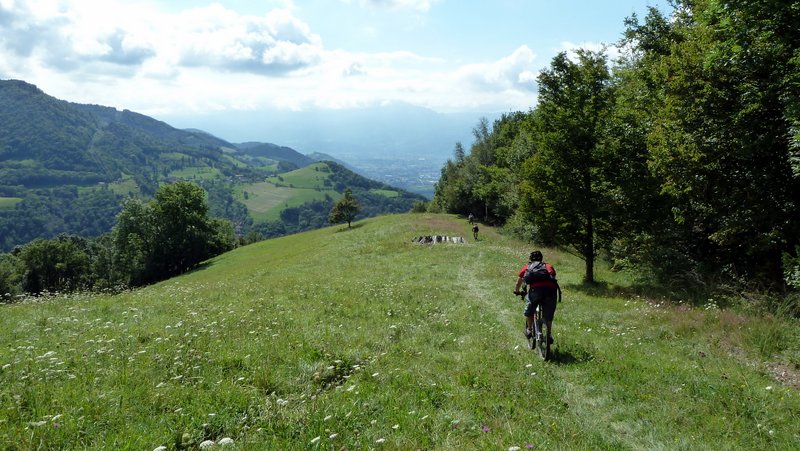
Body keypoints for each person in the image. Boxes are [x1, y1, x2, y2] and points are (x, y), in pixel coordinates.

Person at [514, 250, 559, 342]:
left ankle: (529, 330)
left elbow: (518, 282)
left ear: (530, 258)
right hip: (551, 290)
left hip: (536, 290)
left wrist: (517, 291)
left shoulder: (527, 266)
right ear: (541, 258)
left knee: (530, 309)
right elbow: (553, 276)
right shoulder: (548, 266)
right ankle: (548, 335)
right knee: (548, 315)